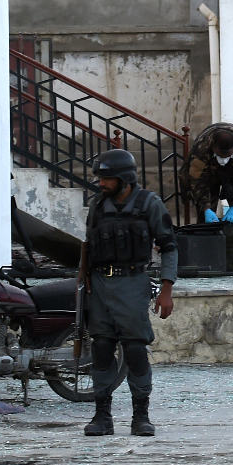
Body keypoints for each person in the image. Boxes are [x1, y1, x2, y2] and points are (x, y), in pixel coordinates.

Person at [81, 149, 177, 437]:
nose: (100, 183)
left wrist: (166, 289)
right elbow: (89, 245)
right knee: (100, 348)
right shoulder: (98, 205)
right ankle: (102, 415)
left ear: (124, 179)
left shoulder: (149, 204)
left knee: (135, 350)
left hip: (133, 282)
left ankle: (140, 416)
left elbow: (169, 246)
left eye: (106, 179)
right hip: (99, 285)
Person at [183, 122, 233, 223]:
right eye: (220, 155)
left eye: (227, 156)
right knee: (204, 215)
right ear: (213, 147)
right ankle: (206, 236)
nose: (224, 160)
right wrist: (206, 208)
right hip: (209, 170)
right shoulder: (201, 150)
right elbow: (197, 181)